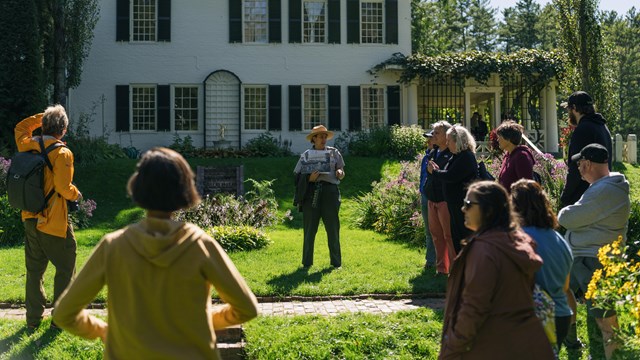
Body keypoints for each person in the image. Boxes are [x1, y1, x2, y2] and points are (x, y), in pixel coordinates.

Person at [53, 147, 259, 358]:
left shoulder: (114, 247)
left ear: (137, 188)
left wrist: (105, 331)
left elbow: (64, 314)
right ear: (185, 190)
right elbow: (247, 308)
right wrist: (203, 320)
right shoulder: (199, 245)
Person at [439, 181, 554, 359]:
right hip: (521, 341)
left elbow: (474, 307)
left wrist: (452, 346)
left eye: (469, 204)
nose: (463, 209)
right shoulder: (517, 241)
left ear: (489, 210)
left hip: (488, 344)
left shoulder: (484, 251)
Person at [558, 143, 630, 360]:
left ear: (587, 163)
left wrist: (569, 215)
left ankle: (610, 356)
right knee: (562, 288)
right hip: (588, 259)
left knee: (606, 321)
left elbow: (567, 218)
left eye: (580, 163)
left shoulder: (604, 190)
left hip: (595, 261)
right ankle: (588, 347)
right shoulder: (603, 187)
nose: (578, 168)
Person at [14, 105, 82, 330]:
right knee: (65, 267)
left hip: (30, 217)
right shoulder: (62, 153)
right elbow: (63, 188)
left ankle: (33, 320)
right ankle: (60, 320)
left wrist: (43, 118)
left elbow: (21, 127)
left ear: (43, 125)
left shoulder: (28, 144)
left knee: (34, 271)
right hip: (53, 221)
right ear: (63, 129)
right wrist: (77, 194)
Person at [511, 179, 573, 350]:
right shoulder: (560, 241)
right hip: (561, 315)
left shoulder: (518, 238)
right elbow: (565, 286)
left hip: (532, 316)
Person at [293, 125, 345, 268]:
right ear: (314, 139)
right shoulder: (306, 155)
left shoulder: (334, 153)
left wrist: (340, 172)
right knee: (310, 229)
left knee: (333, 228)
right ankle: (307, 263)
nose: (323, 139)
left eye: (325, 136)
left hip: (330, 193)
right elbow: (296, 176)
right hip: (311, 193)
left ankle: (336, 263)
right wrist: (309, 179)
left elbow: (341, 169)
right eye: (320, 136)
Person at [427, 125, 477, 254]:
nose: (447, 143)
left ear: (458, 141)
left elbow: (451, 176)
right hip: (453, 203)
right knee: (456, 238)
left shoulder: (466, 156)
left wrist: (435, 171)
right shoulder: (456, 155)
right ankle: (459, 270)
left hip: (461, 203)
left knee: (463, 237)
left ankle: (466, 269)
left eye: (449, 140)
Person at [560, 91, 612, 208]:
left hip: (584, 198)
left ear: (574, 108)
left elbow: (575, 168)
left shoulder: (583, 129)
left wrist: (565, 197)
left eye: (569, 110)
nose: (569, 114)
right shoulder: (602, 126)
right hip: (602, 190)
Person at [424, 121, 455, 274]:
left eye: (437, 132)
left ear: (446, 135)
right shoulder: (432, 152)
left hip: (444, 200)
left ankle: (453, 269)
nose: (433, 135)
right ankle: (441, 269)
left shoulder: (452, 154)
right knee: (436, 235)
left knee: (448, 235)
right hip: (431, 199)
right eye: (433, 132)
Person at [496, 120, 535, 191]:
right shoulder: (507, 156)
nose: (497, 140)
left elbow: (526, 187)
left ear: (508, 138)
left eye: (500, 136)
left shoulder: (521, 156)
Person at [419, 130, 436, 270]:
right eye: (428, 139)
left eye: (431, 139)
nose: (428, 141)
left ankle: (435, 261)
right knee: (428, 230)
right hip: (425, 195)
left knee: (437, 231)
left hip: (435, 196)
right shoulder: (426, 156)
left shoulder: (438, 156)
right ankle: (430, 260)